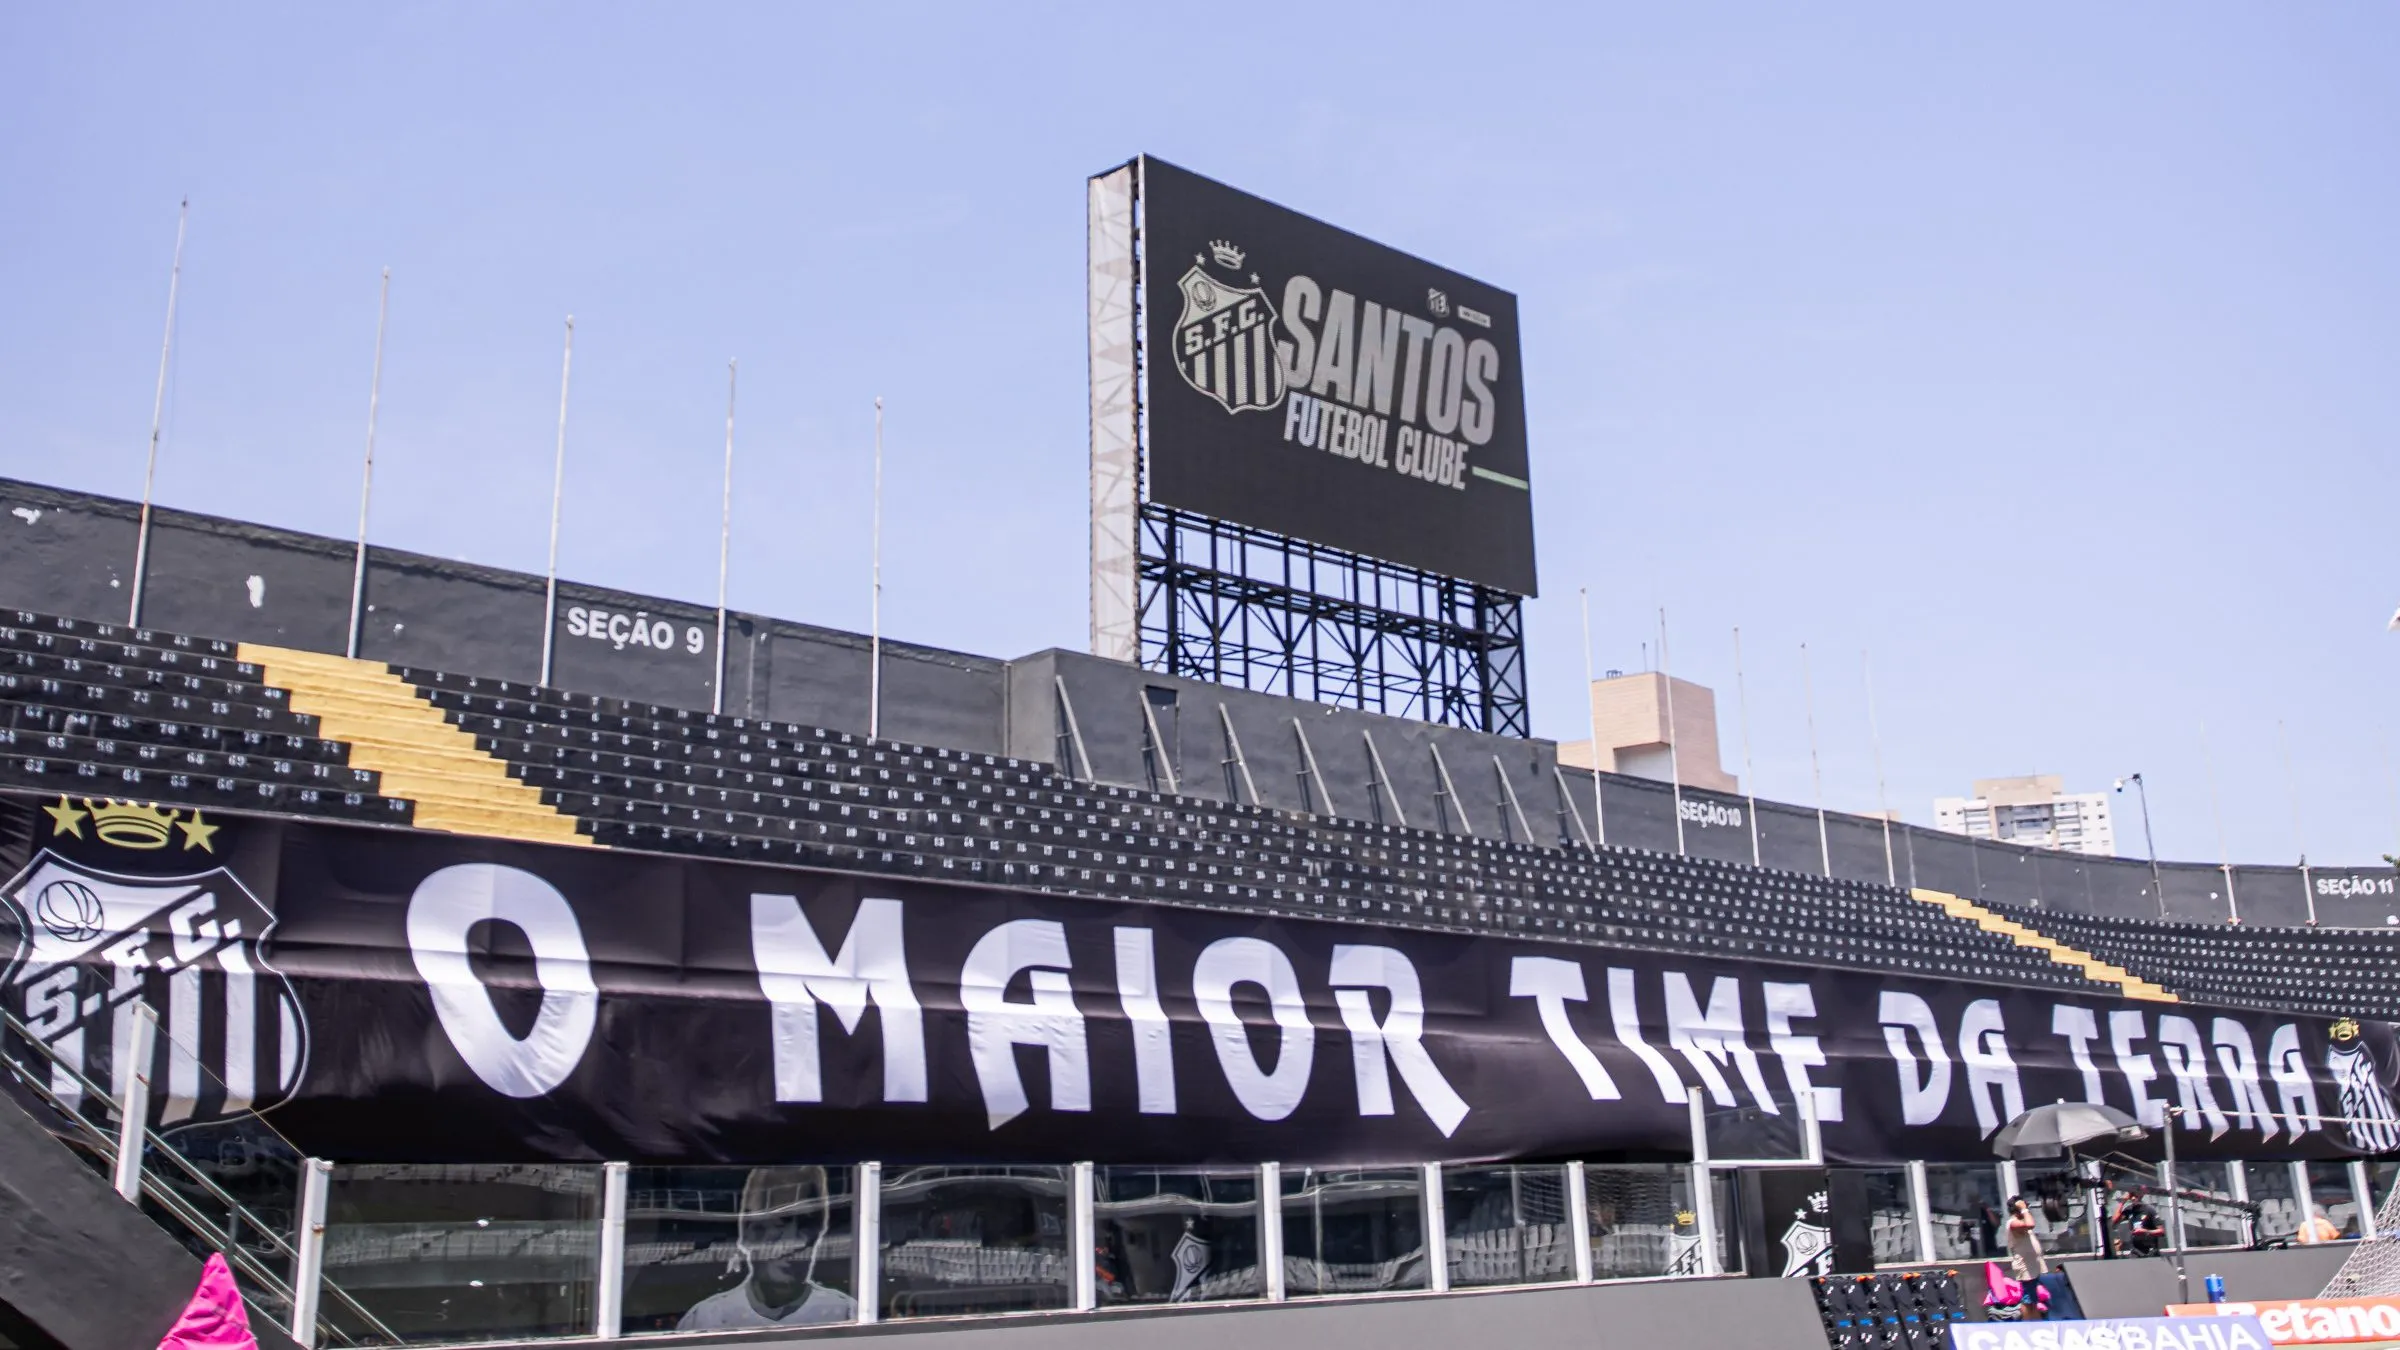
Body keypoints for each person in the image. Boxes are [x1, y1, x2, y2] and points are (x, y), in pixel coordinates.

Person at [677, 1166, 859, 1330]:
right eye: (781, 1221)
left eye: (806, 1224)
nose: (794, 1240)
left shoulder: (847, 1314)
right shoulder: (705, 1319)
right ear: (748, 1230)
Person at [2006, 1195, 2049, 1281]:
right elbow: (2030, 1225)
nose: (2028, 1209)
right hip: (2026, 1269)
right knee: (2028, 1293)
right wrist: (2023, 1209)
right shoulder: (2012, 1223)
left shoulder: (2022, 1221)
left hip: (2034, 1265)